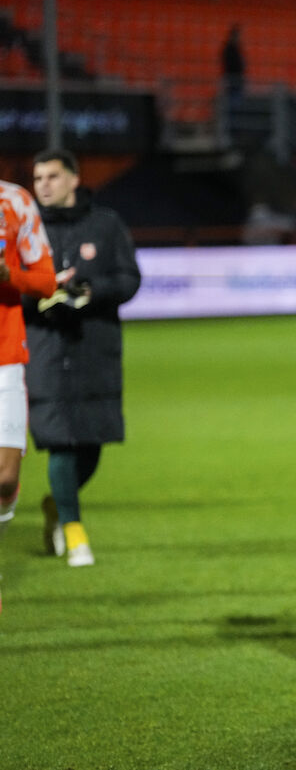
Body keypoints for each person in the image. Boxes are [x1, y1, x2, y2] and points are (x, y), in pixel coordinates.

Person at [25, 149, 142, 568]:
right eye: (38, 178)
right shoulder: (26, 229)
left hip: (95, 346)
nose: (44, 185)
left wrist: (90, 292)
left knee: (90, 446)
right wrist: (43, 295)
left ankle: (57, 505)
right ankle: (75, 533)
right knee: (61, 440)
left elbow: (130, 279)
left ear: (74, 179)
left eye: (52, 176)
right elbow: (10, 284)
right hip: (45, 348)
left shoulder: (106, 225)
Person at [0, 177, 56, 608]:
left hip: (5, 355)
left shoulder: (15, 201)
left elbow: (47, 282)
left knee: (5, 479)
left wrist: (9, 275)